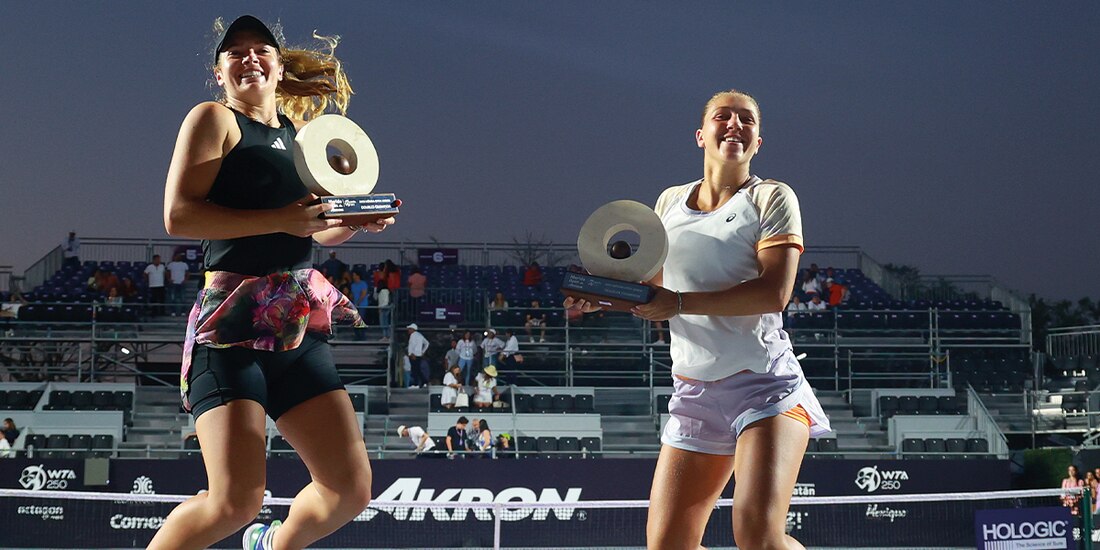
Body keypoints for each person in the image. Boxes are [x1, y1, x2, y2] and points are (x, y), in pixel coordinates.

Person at [149, 15, 391, 550]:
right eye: (234, 52)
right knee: (235, 501)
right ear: (219, 73)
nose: (249, 57)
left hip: (296, 327)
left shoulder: (300, 138)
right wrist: (282, 219)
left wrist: (349, 221)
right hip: (232, 325)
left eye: (261, 49)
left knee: (348, 489)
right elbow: (179, 216)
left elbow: (314, 233)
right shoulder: (215, 119)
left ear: (280, 67)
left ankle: (272, 546)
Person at [566, 89, 830, 550]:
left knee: (759, 538)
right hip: (693, 393)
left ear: (758, 141)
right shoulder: (668, 202)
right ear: (700, 135)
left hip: (765, 386)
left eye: (746, 119)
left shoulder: (771, 197)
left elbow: (775, 293)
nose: (735, 124)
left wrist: (680, 304)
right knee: (667, 546)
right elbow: (656, 297)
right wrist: (601, 300)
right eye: (722, 117)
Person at [406, 323, 430, 388]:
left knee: (414, 370)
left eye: (409, 329)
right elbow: (427, 343)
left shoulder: (413, 335)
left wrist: (411, 353)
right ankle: (424, 382)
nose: (408, 330)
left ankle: (415, 384)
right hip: (418, 355)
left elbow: (411, 346)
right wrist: (422, 351)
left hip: (413, 355)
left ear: (412, 329)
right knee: (417, 370)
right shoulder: (420, 335)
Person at [349, 271, 370, 341]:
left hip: (362, 305)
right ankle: (357, 335)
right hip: (354, 305)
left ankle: (362, 336)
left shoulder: (363, 284)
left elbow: (363, 294)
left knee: (361, 320)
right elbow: (352, 294)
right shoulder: (353, 285)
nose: (353, 277)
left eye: (355, 275)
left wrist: (358, 302)